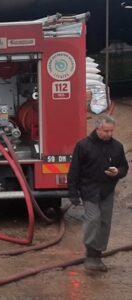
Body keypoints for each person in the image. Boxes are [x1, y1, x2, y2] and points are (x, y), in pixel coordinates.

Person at [68, 114, 128, 272]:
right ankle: (90, 254)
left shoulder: (117, 147)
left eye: (111, 131)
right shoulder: (83, 146)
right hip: (89, 189)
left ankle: (98, 254)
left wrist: (118, 172)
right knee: (93, 219)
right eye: (106, 131)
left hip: (107, 190)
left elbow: (124, 167)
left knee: (105, 222)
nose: (109, 134)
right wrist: (73, 193)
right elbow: (74, 170)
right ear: (97, 128)